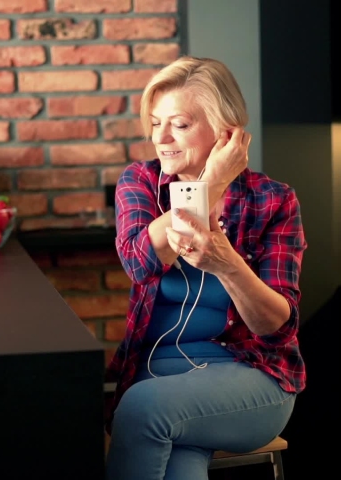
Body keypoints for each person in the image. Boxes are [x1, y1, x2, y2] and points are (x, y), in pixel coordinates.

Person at [105, 56, 307, 480]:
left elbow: (276, 326)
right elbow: (139, 262)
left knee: (142, 411)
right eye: (155, 122)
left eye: (178, 124)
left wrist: (229, 266)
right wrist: (209, 183)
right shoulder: (140, 182)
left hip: (253, 378)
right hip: (157, 372)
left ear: (225, 130)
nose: (161, 138)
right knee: (178, 459)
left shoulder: (273, 200)